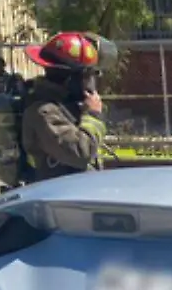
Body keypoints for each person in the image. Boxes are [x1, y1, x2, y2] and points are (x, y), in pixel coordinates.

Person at [20, 30, 113, 182]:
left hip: (74, 191)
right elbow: (80, 152)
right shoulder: (45, 112)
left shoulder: (65, 106)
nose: (91, 82)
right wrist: (93, 116)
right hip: (56, 197)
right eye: (88, 76)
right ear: (72, 79)